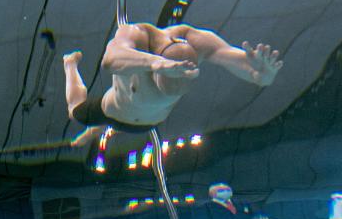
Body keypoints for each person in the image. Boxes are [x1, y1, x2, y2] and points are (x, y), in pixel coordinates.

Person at [64, 23, 283, 146]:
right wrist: (157, 63)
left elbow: (251, 72)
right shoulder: (138, 36)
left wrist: (263, 75)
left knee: (140, 105)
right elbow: (110, 61)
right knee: (75, 112)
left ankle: (96, 131)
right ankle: (69, 64)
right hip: (111, 111)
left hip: (149, 122)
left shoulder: (197, 41)